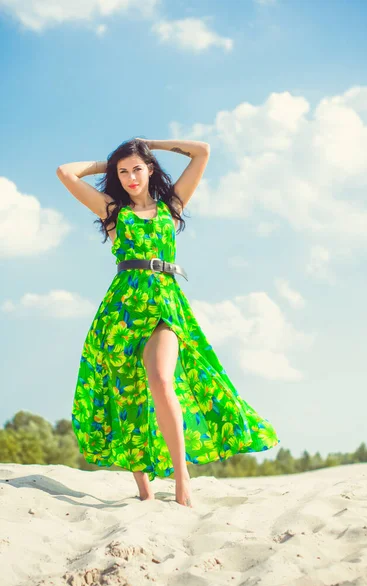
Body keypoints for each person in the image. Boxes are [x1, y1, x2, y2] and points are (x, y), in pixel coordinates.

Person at [56, 137, 279, 509]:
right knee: (126, 397)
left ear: (151, 169)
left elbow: (201, 151)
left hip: (164, 303)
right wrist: (109, 163)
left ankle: (182, 482)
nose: (130, 177)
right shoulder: (112, 210)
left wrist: (151, 144)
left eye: (137, 169)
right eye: (123, 172)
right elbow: (66, 172)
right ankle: (143, 490)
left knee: (161, 380)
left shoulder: (171, 206)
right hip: (121, 310)